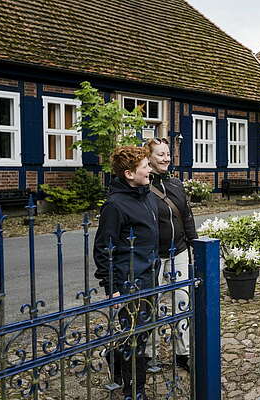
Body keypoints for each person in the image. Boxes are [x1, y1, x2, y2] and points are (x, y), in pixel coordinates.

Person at [94, 146, 159, 400]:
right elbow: (102, 248)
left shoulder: (147, 196)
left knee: (143, 331)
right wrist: (113, 287)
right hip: (130, 281)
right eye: (145, 166)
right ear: (130, 174)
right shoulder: (115, 205)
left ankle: (114, 356)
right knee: (136, 338)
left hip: (150, 275)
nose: (150, 169)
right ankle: (135, 391)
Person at [144, 137, 198, 372]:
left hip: (180, 251)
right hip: (153, 255)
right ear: (148, 157)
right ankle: (148, 354)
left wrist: (194, 242)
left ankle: (182, 352)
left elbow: (186, 215)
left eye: (168, 154)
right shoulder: (142, 186)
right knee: (150, 304)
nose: (166, 158)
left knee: (181, 302)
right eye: (160, 155)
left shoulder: (176, 184)